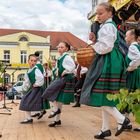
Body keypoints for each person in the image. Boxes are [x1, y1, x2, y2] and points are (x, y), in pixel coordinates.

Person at [80, 2, 130, 139]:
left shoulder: (108, 26)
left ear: (110, 13)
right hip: (110, 60)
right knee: (105, 96)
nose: (98, 16)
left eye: (101, 13)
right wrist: (96, 39)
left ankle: (122, 120)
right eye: (97, 13)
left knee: (98, 94)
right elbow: (107, 43)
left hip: (107, 60)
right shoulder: (107, 26)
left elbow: (106, 47)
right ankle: (105, 129)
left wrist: (93, 46)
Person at [43, 41, 76, 127]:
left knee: (49, 92)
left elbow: (72, 66)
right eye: (58, 47)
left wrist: (65, 71)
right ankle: (56, 120)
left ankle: (55, 110)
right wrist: (58, 71)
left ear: (66, 49)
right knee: (58, 99)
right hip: (61, 79)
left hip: (65, 79)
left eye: (62, 47)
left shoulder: (67, 57)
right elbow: (60, 67)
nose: (59, 48)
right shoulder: (61, 57)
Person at [14, 54, 44, 124]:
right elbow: (27, 82)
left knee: (26, 100)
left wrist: (36, 84)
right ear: (28, 61)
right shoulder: (29, 70)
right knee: (26, 101)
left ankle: (29, 118)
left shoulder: (36, 69)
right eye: (31, 60)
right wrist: (24, 88)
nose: (33, 62)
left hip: (36, 89)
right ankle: (29, 118)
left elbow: (41, 78)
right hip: (32, 89)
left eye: (34, 61)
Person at [125, 29, 140, 132]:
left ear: (132, 36)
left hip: (134, 74)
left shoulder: (132, 47)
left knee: (129, 97)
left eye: (126, 36)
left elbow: (138, 59)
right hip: (137, 73)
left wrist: (129, 68)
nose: (125, 38)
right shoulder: (137, 46)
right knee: (136, 99)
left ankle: (126, 123)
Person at [31, 51, 50, 120]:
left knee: (37, 98)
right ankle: (38, 111)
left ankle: (41, 110)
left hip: (38, 84)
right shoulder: (41, 66)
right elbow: (45, 75)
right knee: (39, 98)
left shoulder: (36, 66)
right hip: (42, 84)